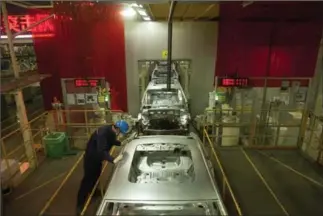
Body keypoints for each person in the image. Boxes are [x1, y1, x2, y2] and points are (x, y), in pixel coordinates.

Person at [76, 120, 129, 215]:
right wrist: (113, 160)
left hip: (98, 159)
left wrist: (120, 143)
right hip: (91, 159)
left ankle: (94, 191)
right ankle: (80, 204)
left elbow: (111, 141)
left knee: (96, 176)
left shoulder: (111, 131)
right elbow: (101, 151)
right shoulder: (102, 133)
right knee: (87, 181)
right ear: (117, 129)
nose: (120, 135)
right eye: (121, 133)